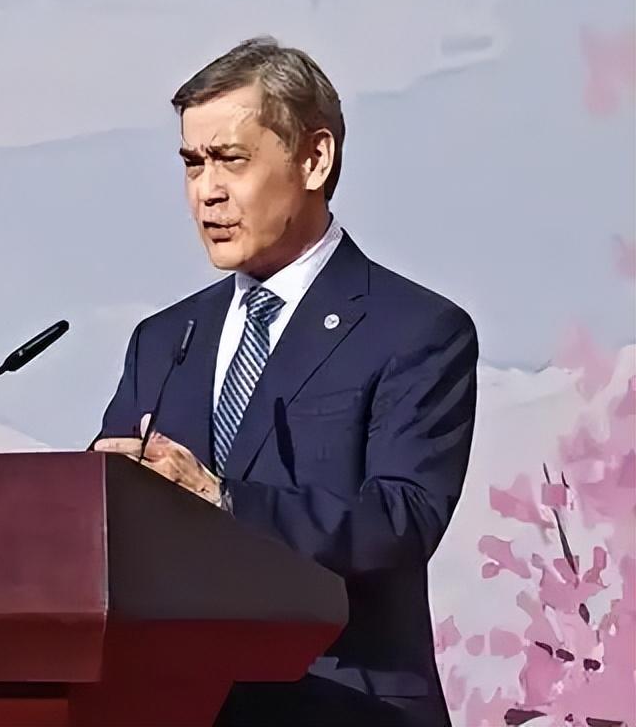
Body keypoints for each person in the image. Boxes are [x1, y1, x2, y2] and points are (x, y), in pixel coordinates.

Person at [93, 37, 478, 727]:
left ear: (314, 159)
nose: (207, 191)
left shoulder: (416, 330)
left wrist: (223, 500)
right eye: (192, 163)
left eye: (231, 160)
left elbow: (402, 520)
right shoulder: (164, 340)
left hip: (345, 707)